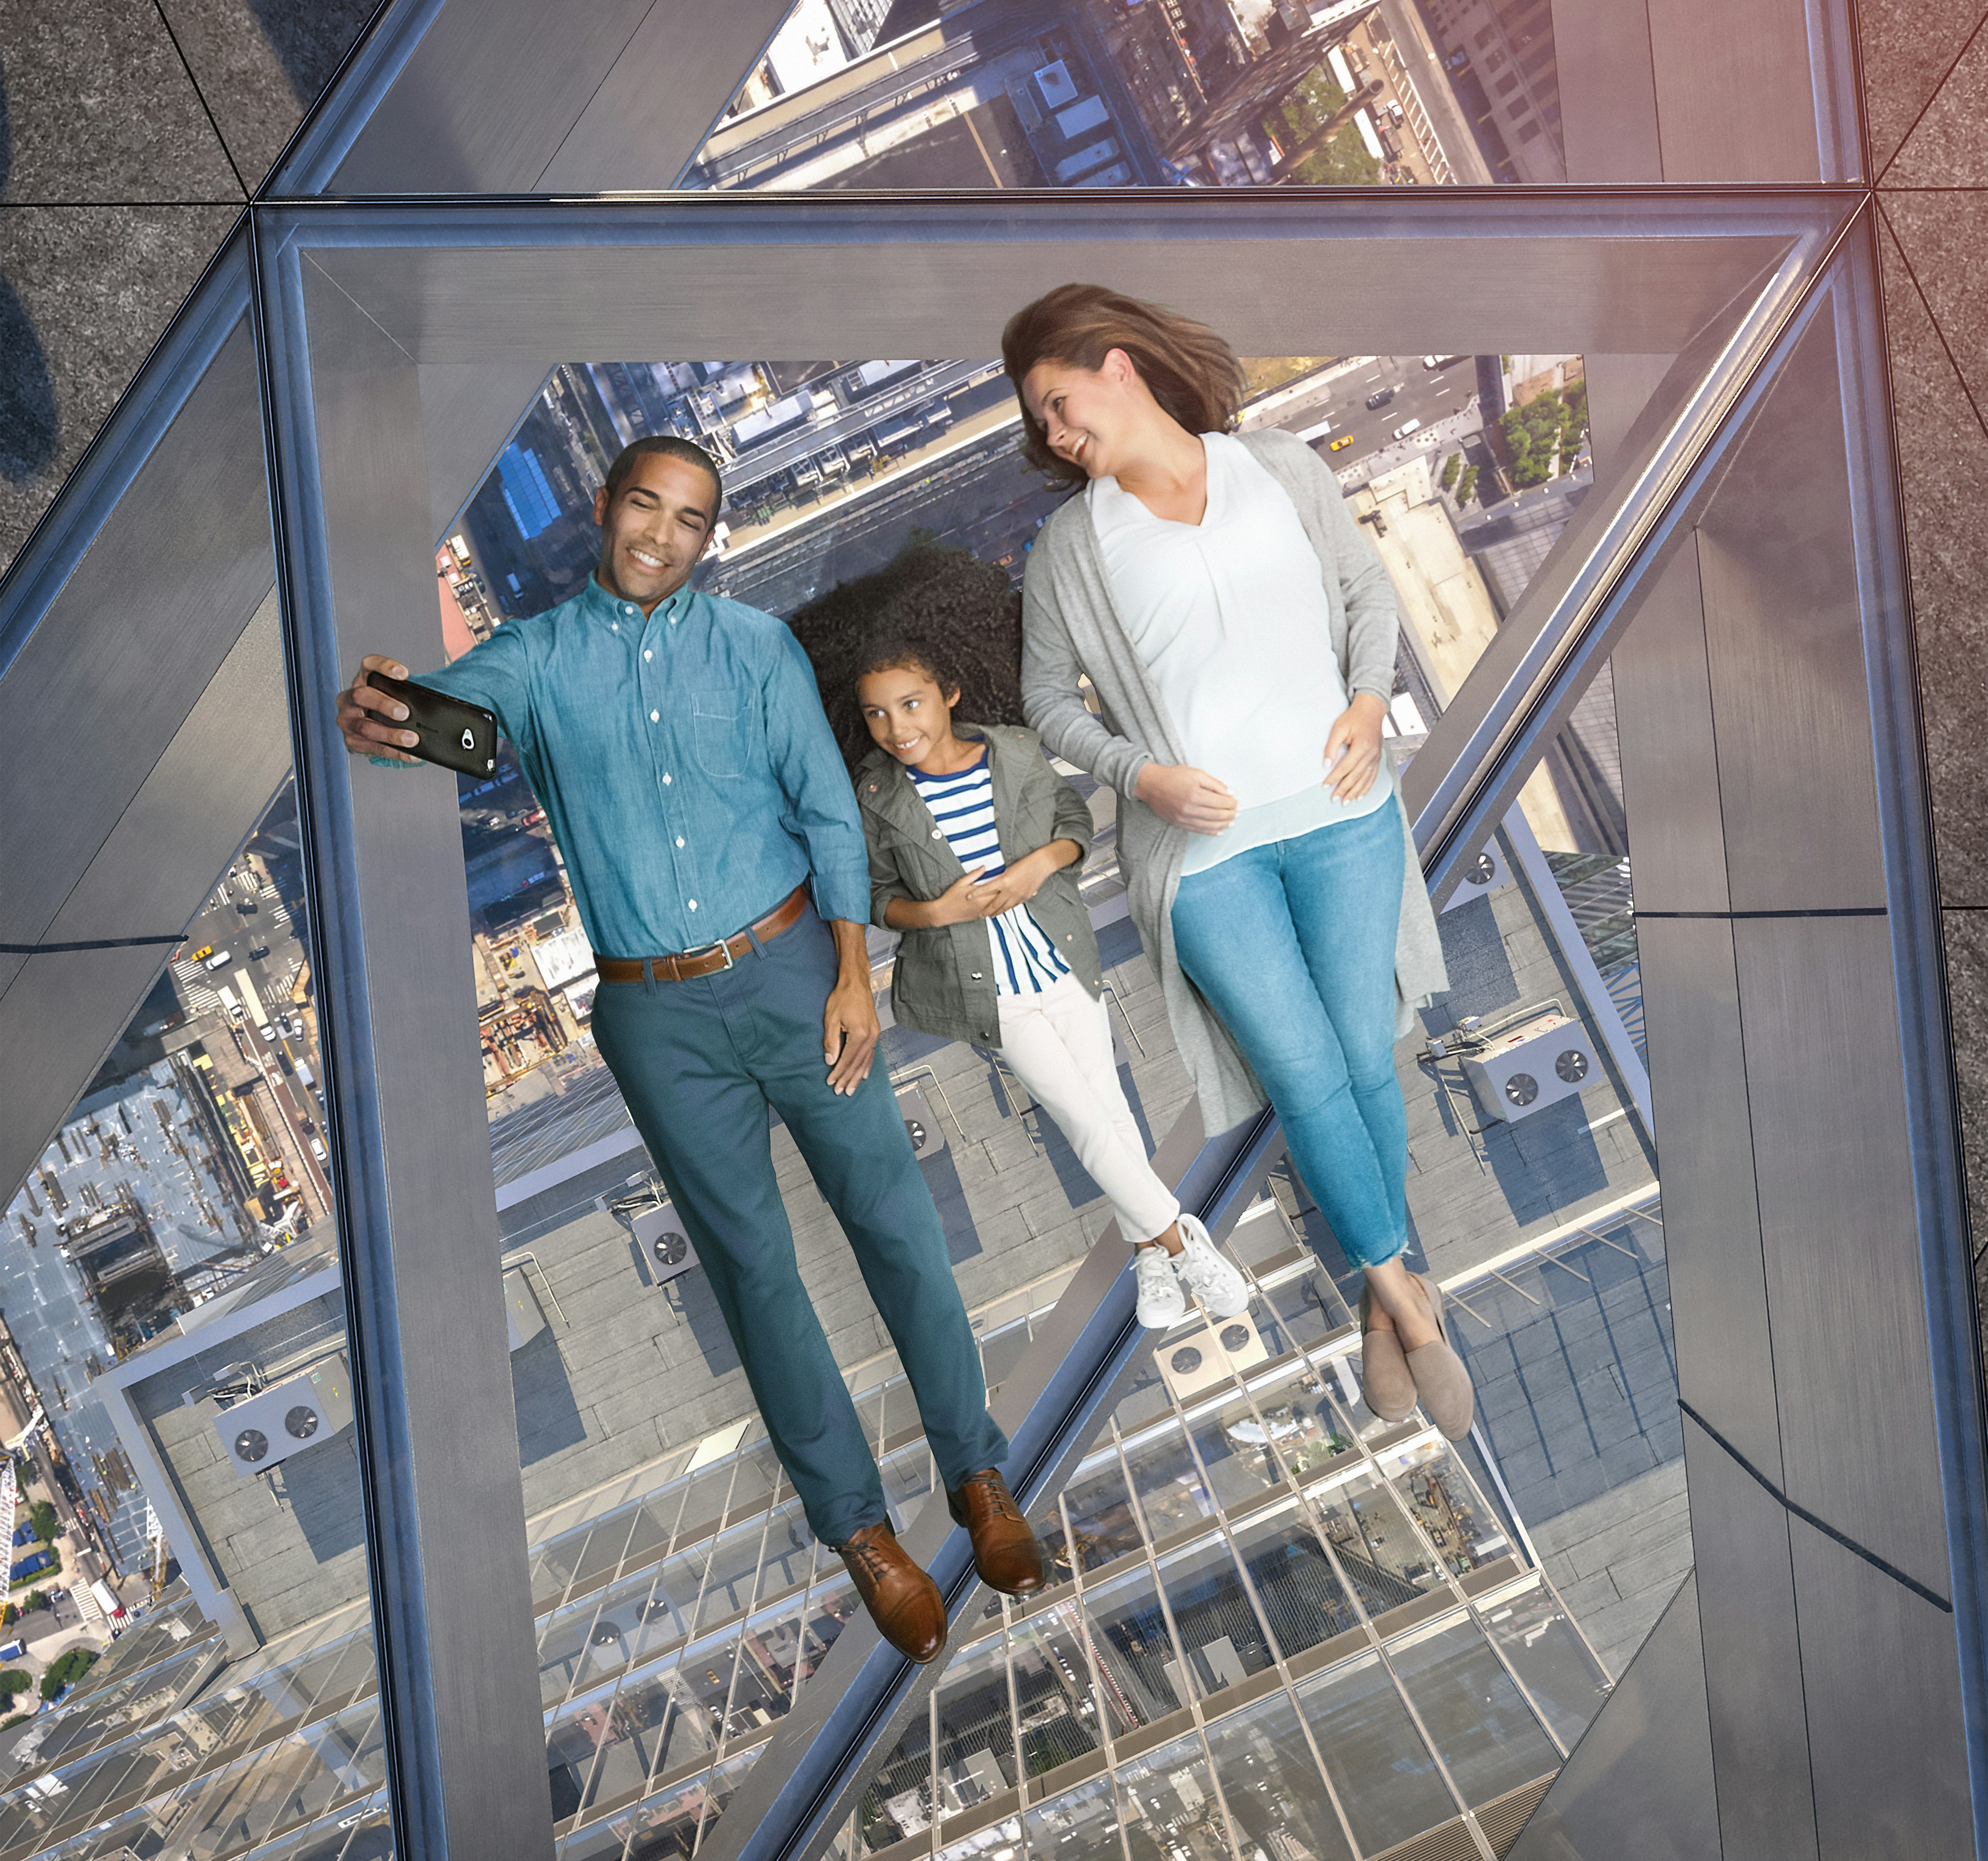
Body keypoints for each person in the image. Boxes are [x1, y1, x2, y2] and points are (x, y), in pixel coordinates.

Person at [335, 435, 1042, 1664]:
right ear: (606, 512)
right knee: (753, 1274)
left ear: (711, 539)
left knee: (897, 1228)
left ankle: (976, 1475)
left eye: (691, 519)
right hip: (657, 1018)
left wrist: (855, 977)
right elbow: (456, 728)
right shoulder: (536, 661)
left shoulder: (756, 650)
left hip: (794, 971)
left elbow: (828, 811)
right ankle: (859, 1531)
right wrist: (387, 716)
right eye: (645, 507)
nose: (662, 534)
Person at [1002, 285, 1472, 1441]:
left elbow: (1363, 587)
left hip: (1341, 809)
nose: (1057, 439)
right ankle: (1408, 1302)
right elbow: (1045, 705)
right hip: (1202, 856)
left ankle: (1382, 1291)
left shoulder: (1278, 466)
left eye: (1060, 406)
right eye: (1043, 428)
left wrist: (1369, 701)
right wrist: (1141, 777)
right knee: (1306, 1070)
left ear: (1119, 367)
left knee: (1364, 1050)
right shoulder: (1073, 544)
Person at [785, 542, 1251, 1330]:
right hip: (986, 989)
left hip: (1060, 960)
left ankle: (1150, 1257)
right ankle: (1184, 1239)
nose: (896, 727)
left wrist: (1038, 868)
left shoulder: (1014, 753)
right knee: (1080, 1118)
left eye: (911, 703)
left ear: (949, 690)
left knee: (1109, 1116)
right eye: (876, 713)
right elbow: (871, 893)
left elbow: (1072, 825)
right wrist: (933, 915)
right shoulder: (874, 796)